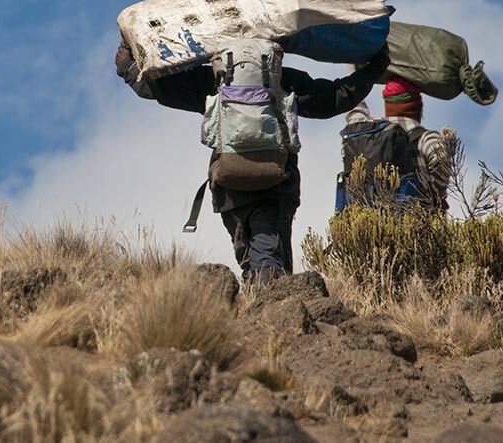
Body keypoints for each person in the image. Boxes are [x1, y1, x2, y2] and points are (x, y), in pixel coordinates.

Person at [115, 40, 391, 283]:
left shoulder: (212, 83)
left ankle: (261, 311)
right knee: (271, 260)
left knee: (251, 259)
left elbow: (155, 89)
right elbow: (336, 98)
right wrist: (376, 66)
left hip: (228, 188)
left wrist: (127, 65)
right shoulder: (284, 80)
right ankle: (275, 317)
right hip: (276, 184)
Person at [341, 76, 450, 211]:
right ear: (417, 106)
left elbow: (353, 106)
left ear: (387, 104)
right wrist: (437, 196)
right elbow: (442, 161)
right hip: (412, 222)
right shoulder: (425, 138)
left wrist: (354, 68)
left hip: (360, 220)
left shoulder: (363, 131)